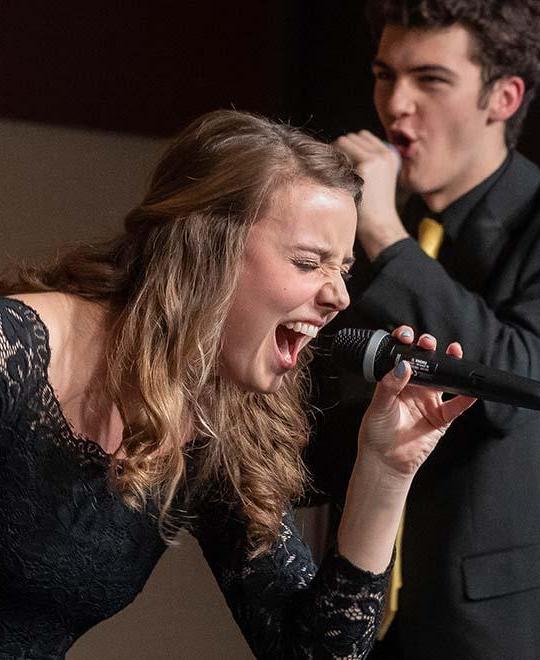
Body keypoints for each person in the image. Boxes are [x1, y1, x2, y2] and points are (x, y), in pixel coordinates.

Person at [0, 109, 476, 659]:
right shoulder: (16, 351)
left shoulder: (213, 414)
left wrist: (385, 473)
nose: (339, 297)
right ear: (205, 249)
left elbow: (315, 656)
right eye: (307, 262)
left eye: (342, 269)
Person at [306, 1, 540, 659]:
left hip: (514, 631)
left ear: (505, 96)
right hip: (370, 619)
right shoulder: (375, 237)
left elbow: (520, 381)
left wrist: (383, 233)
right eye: (384, 75)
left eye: (430, 80)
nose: (396, 104)